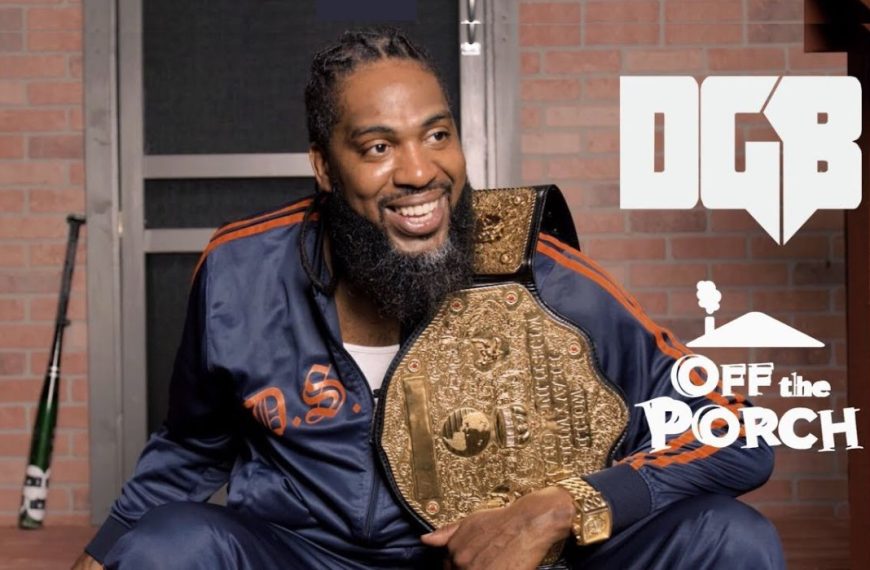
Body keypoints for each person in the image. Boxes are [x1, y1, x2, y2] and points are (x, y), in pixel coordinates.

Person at [74, 28, 784, 570]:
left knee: (730, 537)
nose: (420, 171)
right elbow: (192, 444)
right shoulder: (241, 272)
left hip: (491, 558)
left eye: (437, 135)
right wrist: (102, 556)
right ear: (324, 166)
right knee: (169, 546)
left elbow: (737, 431)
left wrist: (560, 509)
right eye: (377, 147)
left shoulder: (543, 276)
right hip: (305, 554)